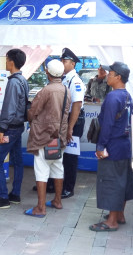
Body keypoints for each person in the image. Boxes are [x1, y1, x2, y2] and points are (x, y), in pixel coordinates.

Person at [89, 62, 133, 232]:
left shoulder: (113, 97)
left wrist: (100, 146)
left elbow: (107, 124)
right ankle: (119, 214)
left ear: (118, 77)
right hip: (123, 145)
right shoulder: (126, 95)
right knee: (122, 181)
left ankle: (112, 221)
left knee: (111, 182)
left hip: (112, 146)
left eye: (111, 73)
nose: (107, 74)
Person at [0, 49, 29, 210]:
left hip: (10, 129)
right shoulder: (22, 80)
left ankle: (3, 198)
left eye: (6, 58)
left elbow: (9, 108)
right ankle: (15, 194)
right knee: (17, 162)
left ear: (11, 61)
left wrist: (2, 130)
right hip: (18, 127)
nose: (5, 61)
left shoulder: (14, 82)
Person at [24, 59, 70, 217]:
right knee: (58, 168)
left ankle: (41, 207)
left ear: (47, 73)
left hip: (44, 136)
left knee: (41, 170)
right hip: (59, 137)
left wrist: (30, 117)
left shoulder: (45, 91)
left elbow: (33, 112)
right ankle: (58, 200)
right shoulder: (66, 90)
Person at [59, 47, 86, 199]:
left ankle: (69, 187)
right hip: (66, 120)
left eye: (65, 61)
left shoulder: (75, 81)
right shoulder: (65, 79)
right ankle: (55, 183)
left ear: (73, 64)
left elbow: (76, 105)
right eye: (62, 60)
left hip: (73, 121)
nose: (62, 63)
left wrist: (70, 128)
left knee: (70, 156)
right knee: (61, 153)